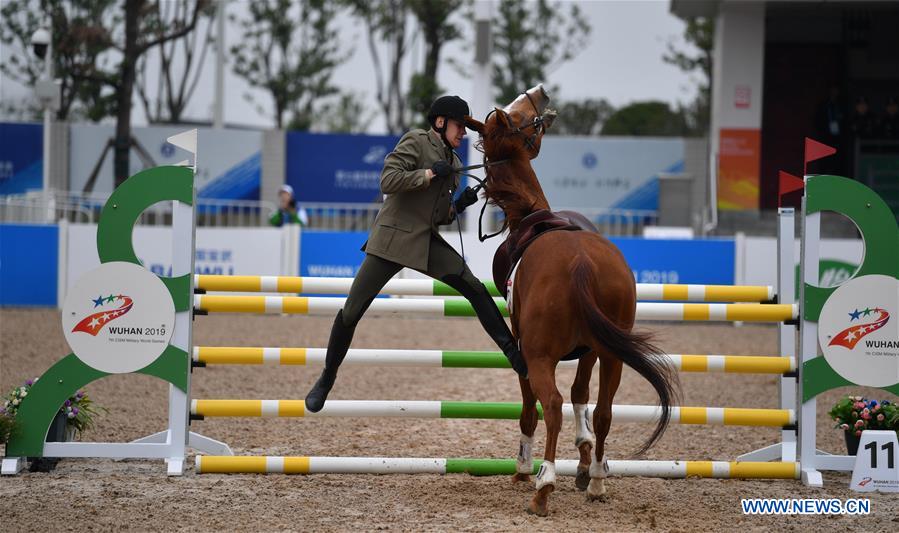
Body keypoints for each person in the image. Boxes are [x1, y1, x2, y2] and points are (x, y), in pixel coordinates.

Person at [304, 95, 528, 413]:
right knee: (351, 311)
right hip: (392, 239)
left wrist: (459, 205)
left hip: (425, 241)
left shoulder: (455, 163)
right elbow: (388, 180)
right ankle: (327, 377)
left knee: (475, 288)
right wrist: (428, 174)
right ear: (440, 122)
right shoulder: (416, 140)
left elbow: (440, 216)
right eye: (459, 126)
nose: (463, 133)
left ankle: (514, 355)